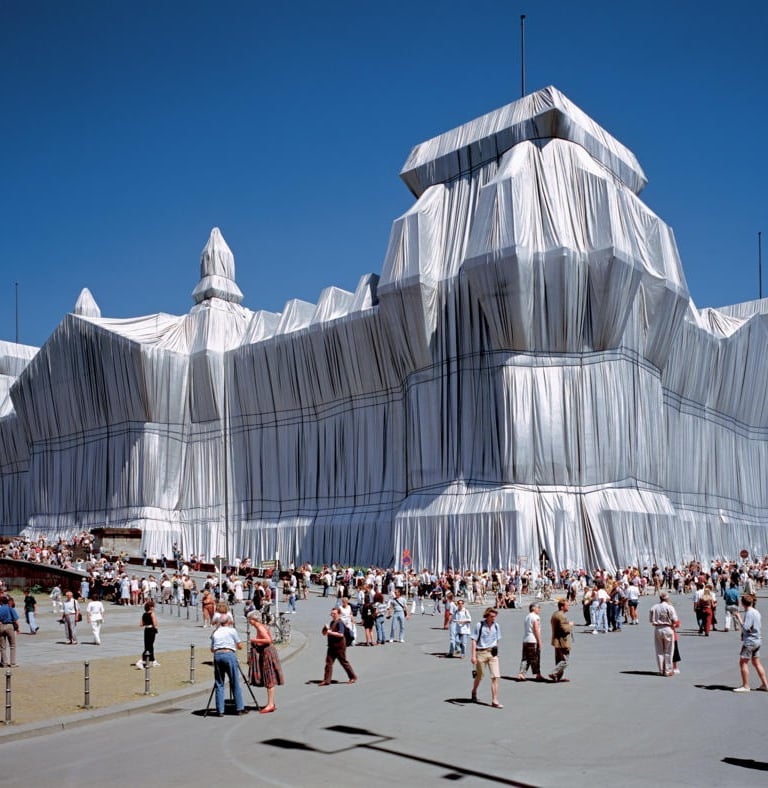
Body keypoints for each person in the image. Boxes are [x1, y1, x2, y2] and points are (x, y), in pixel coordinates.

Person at [210, 612, 247, 716]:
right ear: (228, 621)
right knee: (234, 681)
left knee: (219, 683)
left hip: (218, 655)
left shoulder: (215, 632)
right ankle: (239, 708)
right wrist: (238, 646)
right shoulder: (232, 631)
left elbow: (212, 649)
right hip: (229, 654)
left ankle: (220, 710)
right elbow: (239, 645)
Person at [247, 610, 283, 713]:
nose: (249, 621)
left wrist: (255, 640)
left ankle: (270, 704)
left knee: (269, 677)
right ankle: (271, 703)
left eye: (249, 619)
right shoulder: (260, 626)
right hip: (267, 652)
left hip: (267, 653)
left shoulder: (259, 627)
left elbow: (268, 640)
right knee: (269, 677)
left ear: (253, 619)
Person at [733, 594, 768, 692]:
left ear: (742, 603)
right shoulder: (756, 612)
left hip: (750, 641)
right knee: (756, 662)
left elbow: (746, 628)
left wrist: (738, 617)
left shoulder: (749, 613)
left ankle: (746, 685)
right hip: (757, 639)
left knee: (743, 662)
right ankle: (765, 684)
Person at [470, 607, 503, 708]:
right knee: (479, 676)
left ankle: (494, 700)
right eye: (492, 616)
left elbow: (497, 639)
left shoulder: (496, 626)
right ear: (487, 615)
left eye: (495, 616)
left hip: (492, 653)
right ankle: (474, 691)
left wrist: (496, 650)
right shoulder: (479, 625)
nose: (494, 618)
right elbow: (474, 641)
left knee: (495, 677)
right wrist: (473, 656)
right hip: (481, 653)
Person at [319, 607, 357, 686]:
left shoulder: (340, 623)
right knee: (328, 663)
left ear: (339, 614)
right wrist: (325, 629)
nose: (332, 615)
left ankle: (353, 677)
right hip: (332, 646)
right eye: (332, 613)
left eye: (334, 614)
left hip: (339, 646)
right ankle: (327, 680)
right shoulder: (332, 622)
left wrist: (330, 632)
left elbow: (341, 634)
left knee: (344, 662)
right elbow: (325, 633)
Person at [648, 591, 678, 676]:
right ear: (667, 598)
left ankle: (661, 669)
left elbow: (651, 620)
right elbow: (675, 619)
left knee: (659, 650)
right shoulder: (669, 607)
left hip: (658, 628)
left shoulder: (654, 607)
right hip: (668, 628)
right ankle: (668, 670)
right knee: (669, 650)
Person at [517, 602, 543, 681]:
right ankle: (538, 674)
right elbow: (536, 629)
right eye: (538, 608)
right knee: (535, 658)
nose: (539, 610)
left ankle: (521, 673)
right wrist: (539, 641)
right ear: (534, 608)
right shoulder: (536, 617)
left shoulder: (527, 617)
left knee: (525, 658)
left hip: (526, 639)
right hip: (533, 640)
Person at [549, 598, 574, 682]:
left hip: (557, 640)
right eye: (567, 605)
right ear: (562, 607)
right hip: (562, 641)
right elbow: (564, 628)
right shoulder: (561, 616)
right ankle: (554, 673)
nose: (568, 607)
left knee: (559, 660)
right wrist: (570, 625)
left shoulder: (555, 614)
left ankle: (558, 677)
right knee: (565, 661)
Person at [137, 600, 159, 668]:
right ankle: (141, 661)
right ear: (150, 607)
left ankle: (153, 661)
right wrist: (155, 627)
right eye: (152, 606)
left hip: (146, 630)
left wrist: (146, 623)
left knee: (149, 645)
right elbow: (155, 623)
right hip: (151, 630)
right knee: (149, 646)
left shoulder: (144, 614)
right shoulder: (152, 614)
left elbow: (141, 624)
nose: (153, 607)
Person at [0, 594, 19, 667]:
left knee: (2, 646)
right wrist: (17, 628)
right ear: (7, 601)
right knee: (12, 645)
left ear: (1, 602)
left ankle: (4, 663)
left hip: (1, 626)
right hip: (9, 626)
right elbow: (15, 619)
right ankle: (12, 663)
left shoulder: (0, 609)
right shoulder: (10, 608)